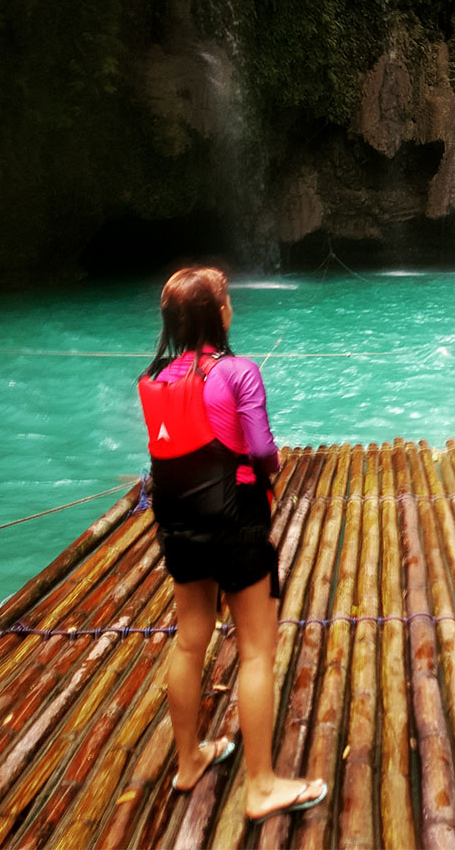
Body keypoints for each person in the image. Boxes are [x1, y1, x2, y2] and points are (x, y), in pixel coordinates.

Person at [138, 266, 326, 819]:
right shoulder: (240, 372)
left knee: (189, 641)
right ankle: (262, 785)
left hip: (178, 525)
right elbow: (263, 450)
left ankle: (190, 760)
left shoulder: (152, 381)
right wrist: (271, 465)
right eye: (227, 300)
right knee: (256, 651)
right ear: (216, 314)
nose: (232, 307)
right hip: (236, 524)